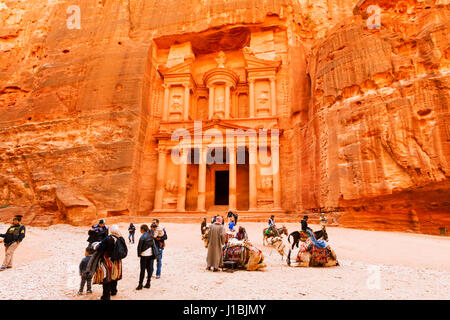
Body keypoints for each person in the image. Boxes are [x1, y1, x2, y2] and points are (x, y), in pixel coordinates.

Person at [93, 224, 126, 300]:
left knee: (106, 278)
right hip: (117, 261)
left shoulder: (108, 238)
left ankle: (106, 296)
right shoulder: (121, 238)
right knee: (115, 275)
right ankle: (113, 291)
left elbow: (100, 249)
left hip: (108, 261)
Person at [136, 224, 158, 290]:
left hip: (144, 255)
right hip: (151, 255)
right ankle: (148, 283)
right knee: (149, 270)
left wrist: (139, 254)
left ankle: (140, 284)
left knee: (142, 270)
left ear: (142, 229)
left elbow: (139, 247)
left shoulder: (142, 237)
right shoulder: (151, 235)